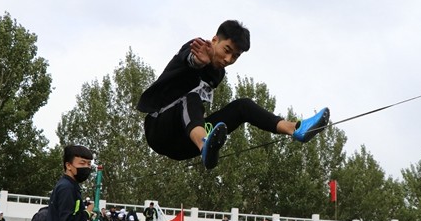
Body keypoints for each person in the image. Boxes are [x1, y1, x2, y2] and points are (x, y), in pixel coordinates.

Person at [136, 20, 330, 170]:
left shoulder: (218, 74)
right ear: (215, 40)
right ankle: (204, 144)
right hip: (158, 128)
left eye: (235, 56)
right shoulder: (198, 46)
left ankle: (295, 129)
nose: (228, 59)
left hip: (183, 144)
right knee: (191, 97)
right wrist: (198, 61)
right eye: (226, 50)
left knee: (242, 106)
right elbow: (189, 58)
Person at [43, 145, 97, 221]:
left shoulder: (68, 186)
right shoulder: (67, 188)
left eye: (89, 164)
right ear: (68, 165)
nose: (87, 167)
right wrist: (87, 212)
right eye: (82, 163)